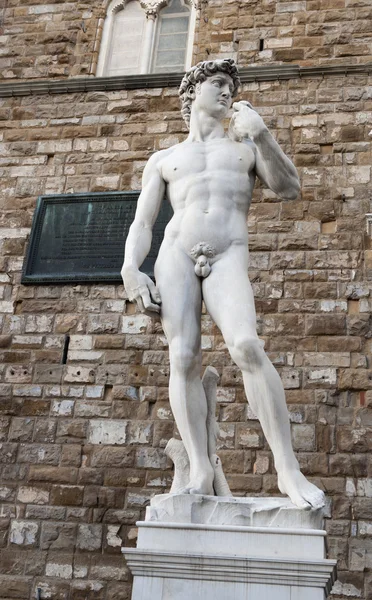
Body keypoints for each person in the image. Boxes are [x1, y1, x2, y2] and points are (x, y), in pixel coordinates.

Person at [122, 59, 325, 509]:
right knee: (183, 356)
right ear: (193, 92)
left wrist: (263, 133)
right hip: (176, 254)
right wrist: (130, 267)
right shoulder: (164, 159)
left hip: (228, 251)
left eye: (231, 86)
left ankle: (288, 472)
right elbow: (143, 222)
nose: (228, 92)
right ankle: (199, 466)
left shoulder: (245, 147)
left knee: (247, 345)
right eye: (218, 84)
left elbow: (289, 187)